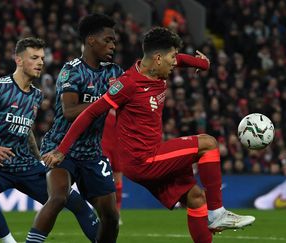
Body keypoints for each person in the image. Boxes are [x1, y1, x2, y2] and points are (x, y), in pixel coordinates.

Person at [43, 27, 256, 243]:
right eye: (171, 57)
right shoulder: (128, 84)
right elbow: (90, 113)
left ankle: (210, 215)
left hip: (151, 156)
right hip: (143, 160)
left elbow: (181, 59)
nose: (175, 62)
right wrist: (62, 150)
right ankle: (217, 212)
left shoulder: (157, 67)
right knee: (209, 143)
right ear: (157, 59)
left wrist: (203, 64)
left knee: (195, 197)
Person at [0, 37, 99, 243]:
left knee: (76, 203)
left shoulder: (36, 95)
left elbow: (26, 131)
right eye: (34, 58)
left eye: (42, 58)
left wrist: (39, 158)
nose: (40, 62)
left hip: (26, 165)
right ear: (18, 60)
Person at [26, 14, 123, 243]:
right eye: (108, 40)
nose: (112, 45)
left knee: (110, 215)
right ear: (91, 40)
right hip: (61, 147)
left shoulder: (114, 73)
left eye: (114, 42)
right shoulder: (72, 70)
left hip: (92, 152)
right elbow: (69, 111)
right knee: (58, 197)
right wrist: (106, 101)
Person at [101, 109, 123, 224]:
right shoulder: (103, 107)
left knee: (118, 183)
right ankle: (104, 212)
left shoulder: (124, 111)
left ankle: (117, 213)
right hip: (104, 147)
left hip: (119, 148)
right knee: (106, 182)